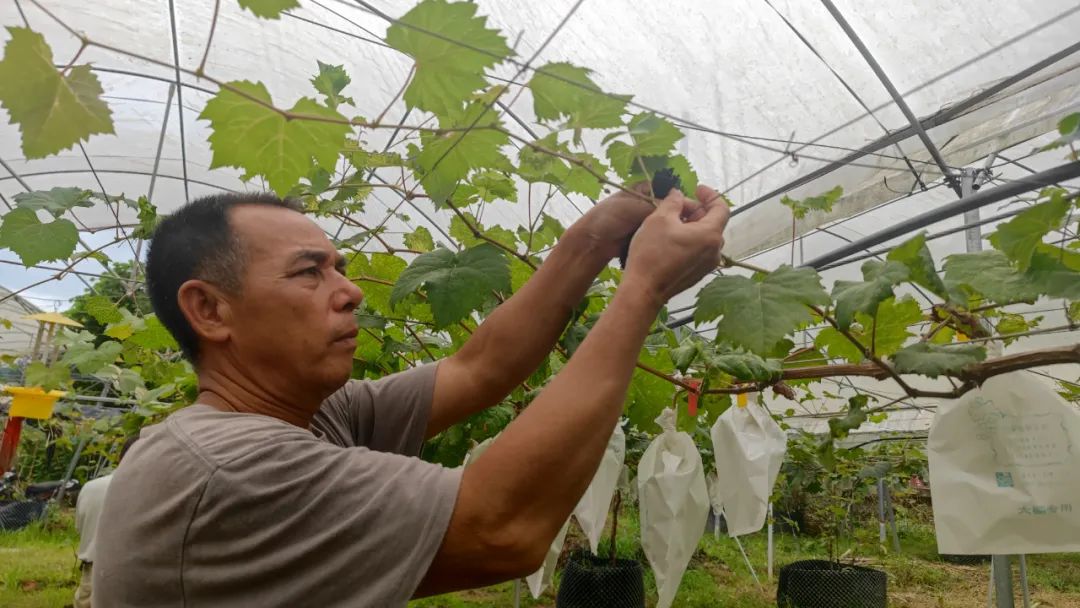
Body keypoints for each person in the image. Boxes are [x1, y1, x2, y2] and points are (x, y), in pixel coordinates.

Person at [92, 181, 730, 607]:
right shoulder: (226, 467)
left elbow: (478, 368)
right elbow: (503, 528)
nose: (350, 290)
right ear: (208, 310)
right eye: (309, 271)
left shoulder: (309, 416)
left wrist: (593, 237)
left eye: (339, 267)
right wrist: (642, 288)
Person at [73, 435, 137, 608]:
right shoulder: (151, 489)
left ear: (119, 457)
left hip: (90, 571)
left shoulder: (90, 487)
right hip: (128, 573)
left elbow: (80, 528)